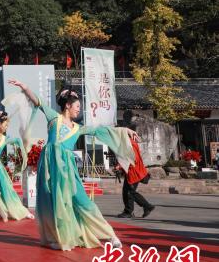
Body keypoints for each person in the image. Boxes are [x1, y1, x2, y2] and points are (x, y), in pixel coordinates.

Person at [7, 80, 139, 250]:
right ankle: (58, 238)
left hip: (67, 170)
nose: (79, 109)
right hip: (50, 168)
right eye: (77, 106)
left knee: (82, 200)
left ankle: (110, 235)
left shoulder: (78, 128)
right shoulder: (54, 118)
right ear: (68, 105)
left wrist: (125, 131)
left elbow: (100, 130)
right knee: (52, 203)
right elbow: (38, 102)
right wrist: (25, 87)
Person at [117, 138, 154, 218]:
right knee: (127, 191)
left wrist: (120, 166)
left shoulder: (130, 145)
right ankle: (132, 210)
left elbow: (133, 160)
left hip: (134, 173)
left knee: (130, 192)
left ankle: (134, 210)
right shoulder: (128, 144)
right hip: (132, 172)